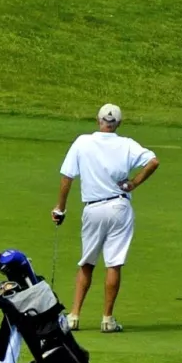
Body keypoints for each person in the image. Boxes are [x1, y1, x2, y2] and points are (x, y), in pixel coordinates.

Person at [52, 103, 159, 333]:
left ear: (98, 120)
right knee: (114, 264)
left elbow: (67, 177)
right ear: (118, 124)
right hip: (120, 206)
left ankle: (74, 316)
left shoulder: (82, 141)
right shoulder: (127, 144)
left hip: (93, 207)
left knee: (87, 263)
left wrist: (60, 208)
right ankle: (107, 319)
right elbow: (153, 161)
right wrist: (134, 183)